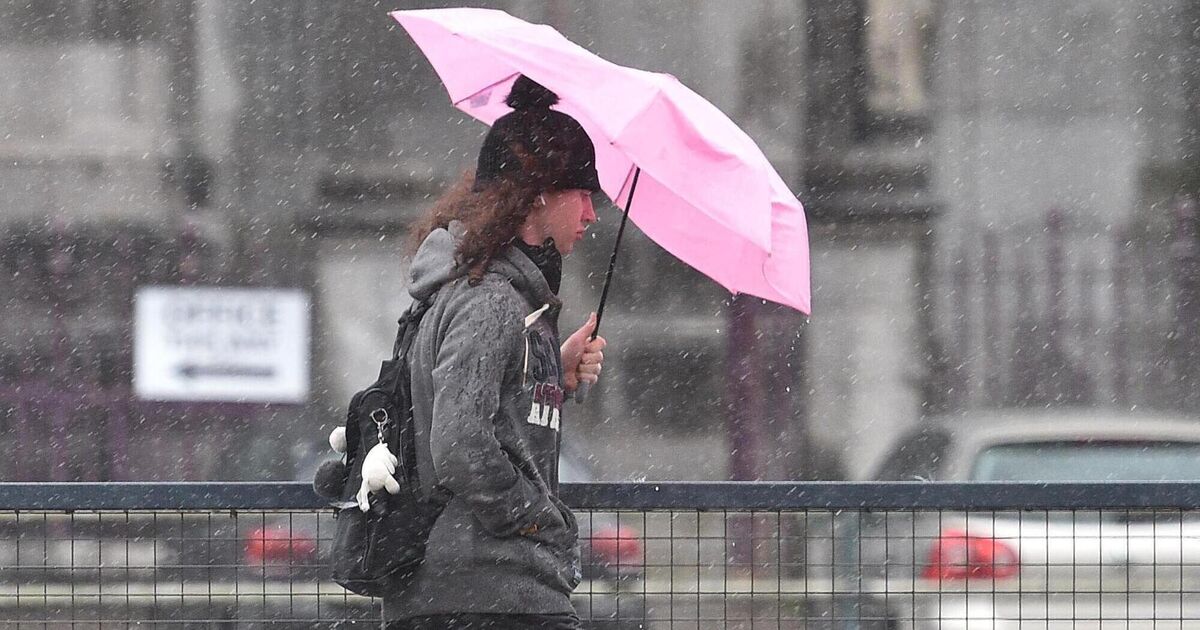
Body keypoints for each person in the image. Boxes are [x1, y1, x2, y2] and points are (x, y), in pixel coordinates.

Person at [371, 75, 607, 630]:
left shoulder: (493, 296)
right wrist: (539, 519)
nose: (592, 215)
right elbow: (458, 445)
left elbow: (481, 413)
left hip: (471, 593)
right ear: (541, 195)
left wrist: (556, 375)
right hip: (489, 595)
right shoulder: (491, 302)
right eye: (583, 194)